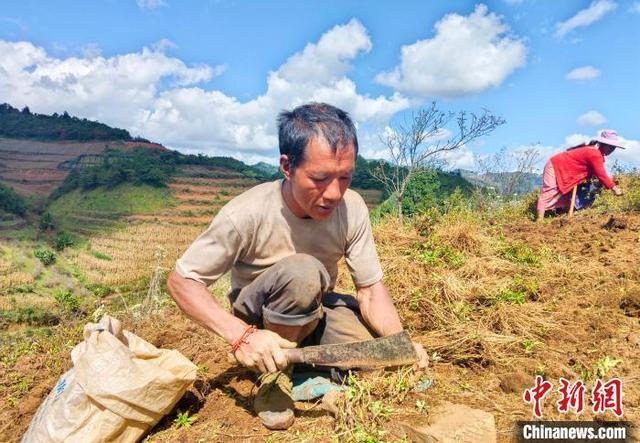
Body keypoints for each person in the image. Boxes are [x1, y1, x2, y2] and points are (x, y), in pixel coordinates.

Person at [167, 102, 428, 430]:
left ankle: (306, 364)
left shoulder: (353, 208)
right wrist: (241, 337)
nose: (334, 193)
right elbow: (182, 281)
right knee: (303, 271)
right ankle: (274, 377)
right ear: (287, 167)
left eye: (345, 177)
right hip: (259, 318)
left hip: (314, 310)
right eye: (319, 178)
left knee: (375, 354)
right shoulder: (246, 213)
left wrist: (397, 343)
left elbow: (370, 290)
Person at [536, 129, 625, 221]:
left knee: (568, 194)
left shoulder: (596, 153)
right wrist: (614, 188)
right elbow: (601, 174)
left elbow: (598, 173)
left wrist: (609, 181)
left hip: (565, 170)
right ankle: (539, 221)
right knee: (550, 191)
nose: (612, 150)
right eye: (610, 147)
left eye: (613, 148)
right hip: (555, 166)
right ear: (603, 144)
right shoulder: (594, 153)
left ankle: (560, 215)